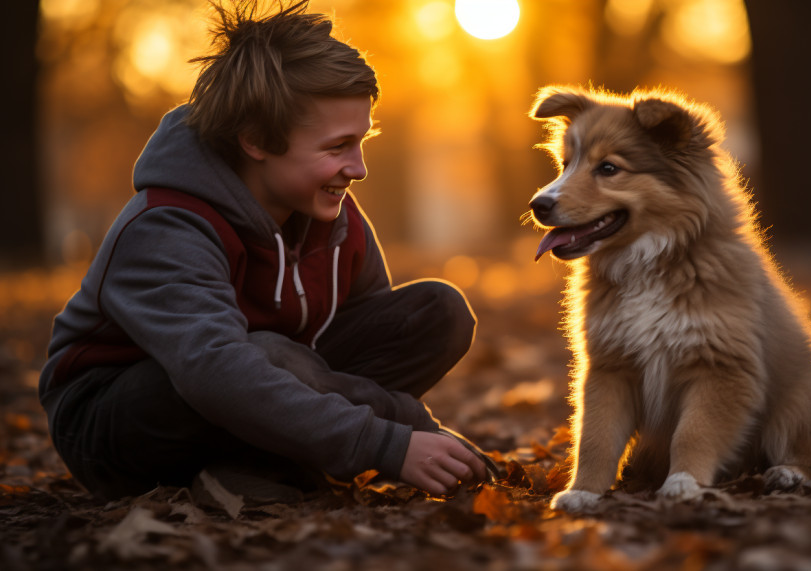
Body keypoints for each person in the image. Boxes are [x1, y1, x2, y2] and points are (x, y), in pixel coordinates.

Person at [38, 0, 489, 499]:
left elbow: (362, 348)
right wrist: (394, 439)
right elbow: (216, 369)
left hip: (262, 375)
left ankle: (254, 466)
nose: (358, 168)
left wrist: (406, 432)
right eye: (337, 147)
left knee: (436, 312)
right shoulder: (167, 225)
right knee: (270, 355)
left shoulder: (333, 214)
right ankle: (258, 465)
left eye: (362, 142)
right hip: (116, 424)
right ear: (255, 139)